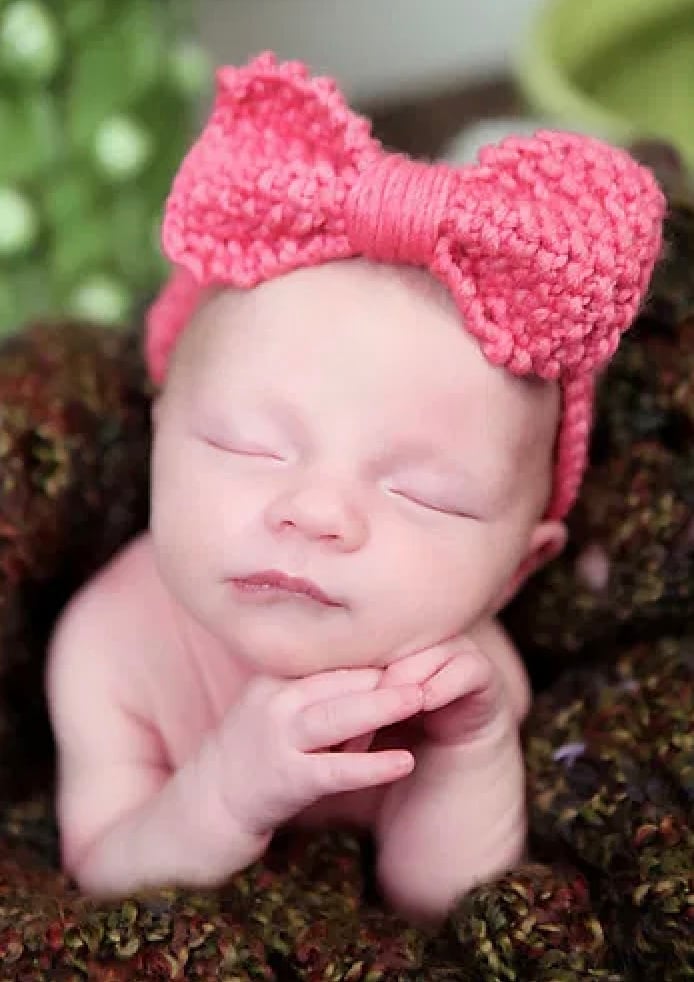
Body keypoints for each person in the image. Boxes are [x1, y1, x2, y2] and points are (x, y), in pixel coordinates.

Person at [44, 53, 665, 923]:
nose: (317, 512)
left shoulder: (464, 682)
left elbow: (443, 913)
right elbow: (101, 873)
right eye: (249, 446)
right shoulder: (111, 648)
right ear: (157, 444)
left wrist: (467, 757)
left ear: (517, 571)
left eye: (424, 495)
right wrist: (223, 791)